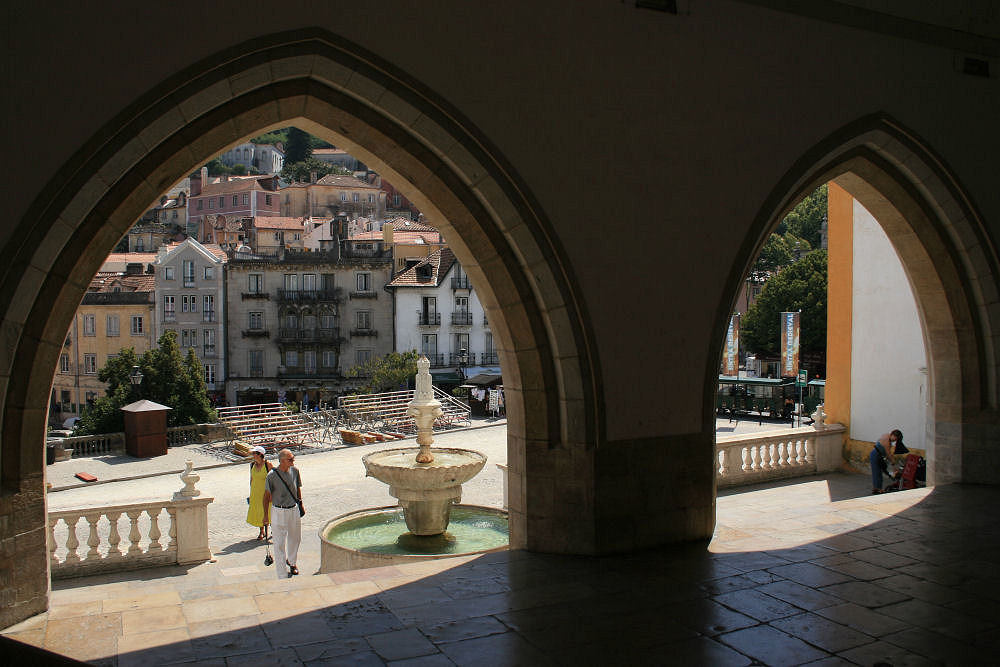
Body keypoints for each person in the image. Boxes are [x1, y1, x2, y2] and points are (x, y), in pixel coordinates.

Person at [262, 448, 304, 578]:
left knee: (295, 538)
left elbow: (297, 488)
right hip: (278, 510)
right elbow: (266, 497)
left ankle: (292, 562)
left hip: (293, 509)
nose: (293, 461)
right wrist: (265, 516)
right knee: (279, 542)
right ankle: (281, 573)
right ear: (282, 461)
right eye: (290, 459)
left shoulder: (295, 471)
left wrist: (301, 503)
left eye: (293, 458)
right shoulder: (272, 476)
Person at [245, 446, 272, 540]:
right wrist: (251, 491)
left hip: (266, 491)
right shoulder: (252, 465)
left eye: (254, 454)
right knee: (259, 511)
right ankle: (262, 531)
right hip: (255, 492)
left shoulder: (267, 465)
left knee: (267, 510)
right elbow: (251, 478)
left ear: (260, 454)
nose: (253, 455)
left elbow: (273, 478)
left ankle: (271, 528)